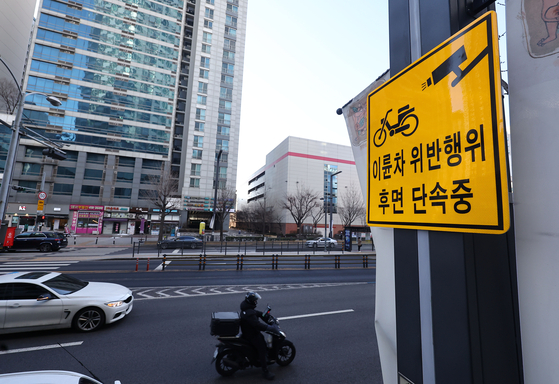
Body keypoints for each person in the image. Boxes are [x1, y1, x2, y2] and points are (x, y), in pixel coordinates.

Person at [240, 292, 279, 380]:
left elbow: (257, 313)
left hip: (247, 332)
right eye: (255, 301)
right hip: (251, 335)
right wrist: (269, 327)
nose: (256, 302)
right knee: (262, 349)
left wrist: (264, 315)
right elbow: (257, 325)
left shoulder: (247, 308)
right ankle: (265, 371)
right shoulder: (249, 313)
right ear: (251, 301)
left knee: (260, 341)